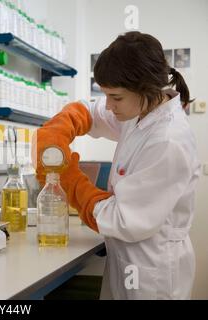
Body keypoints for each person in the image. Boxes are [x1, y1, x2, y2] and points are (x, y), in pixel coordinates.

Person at [34, 31, 201, 299]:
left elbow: (123, 219)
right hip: (127, 262)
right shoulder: (140, 110)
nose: (109, 105)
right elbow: (92, 113)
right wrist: (59, 128)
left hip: (152, 273)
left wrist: (68, 178)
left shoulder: (168, 140)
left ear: (146, 88)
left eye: (116, 97)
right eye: (106, 94)